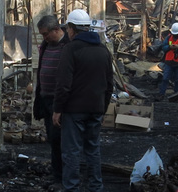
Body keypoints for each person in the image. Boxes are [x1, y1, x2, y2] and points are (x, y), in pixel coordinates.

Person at [53, 9, 114, 192]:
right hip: (95, 108)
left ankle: (72, 188)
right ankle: (96, 187)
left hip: (74, 110)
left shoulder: (70, 49)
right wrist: (102, 109)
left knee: (71, 151)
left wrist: (57, 109)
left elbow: (63, 84)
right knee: (92, 149)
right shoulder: (103, 50)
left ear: (71, 29)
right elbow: (109, 84)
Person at [32, 15, 70, 186]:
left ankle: (64, 177)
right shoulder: (47, 45)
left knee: (62, 140)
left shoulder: (69, 45)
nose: (44, 37)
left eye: (46, 34)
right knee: (53, 139)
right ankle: (57, 175)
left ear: (57, 29)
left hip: (61, 101)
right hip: (46, 99)